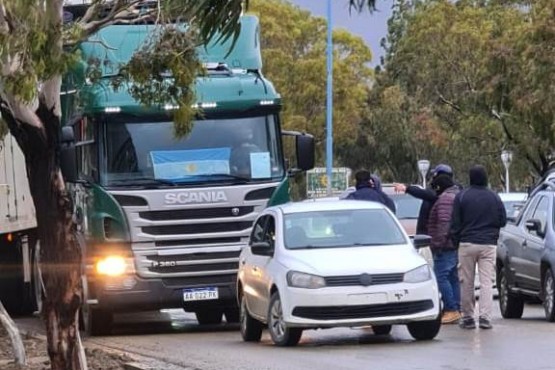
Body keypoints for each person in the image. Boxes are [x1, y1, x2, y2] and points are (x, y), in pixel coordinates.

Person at [450, 165, 507, 330]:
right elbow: (502, 220)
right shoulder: (494, 197)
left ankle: (467, 317)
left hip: (466, 244)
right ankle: (485, 318)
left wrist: (456, 242)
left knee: (466, 282)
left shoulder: (462, 196)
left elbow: (454, 223)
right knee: (486, 282)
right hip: (488, 244)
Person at [427, 174, 461, 324]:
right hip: (452, 244)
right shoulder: (455, 196)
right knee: (452, 277)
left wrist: (439, 243)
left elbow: (444, 223)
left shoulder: (445, 199)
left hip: (445, 246)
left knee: (441, 277)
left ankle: (451, 309)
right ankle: (456, 308)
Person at [393, 164, 454, 235]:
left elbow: (424, 193)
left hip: (433, 236)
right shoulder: (437, 192)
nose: (432, 178)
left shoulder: (442, 194)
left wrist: (407, 188)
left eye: (434, 175)